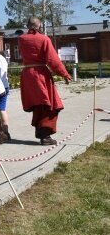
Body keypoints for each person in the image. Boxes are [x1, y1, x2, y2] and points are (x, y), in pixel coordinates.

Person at [18, 16, 72, 145]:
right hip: (40, 74)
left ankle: (41, 132)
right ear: (39, 26)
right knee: (50, 105)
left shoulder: (21, 39)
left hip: (27, 74)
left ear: (27, 26)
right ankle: (45, 136)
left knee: (38, 105)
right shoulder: (43, 39)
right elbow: (53, 59)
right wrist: (64, 74)